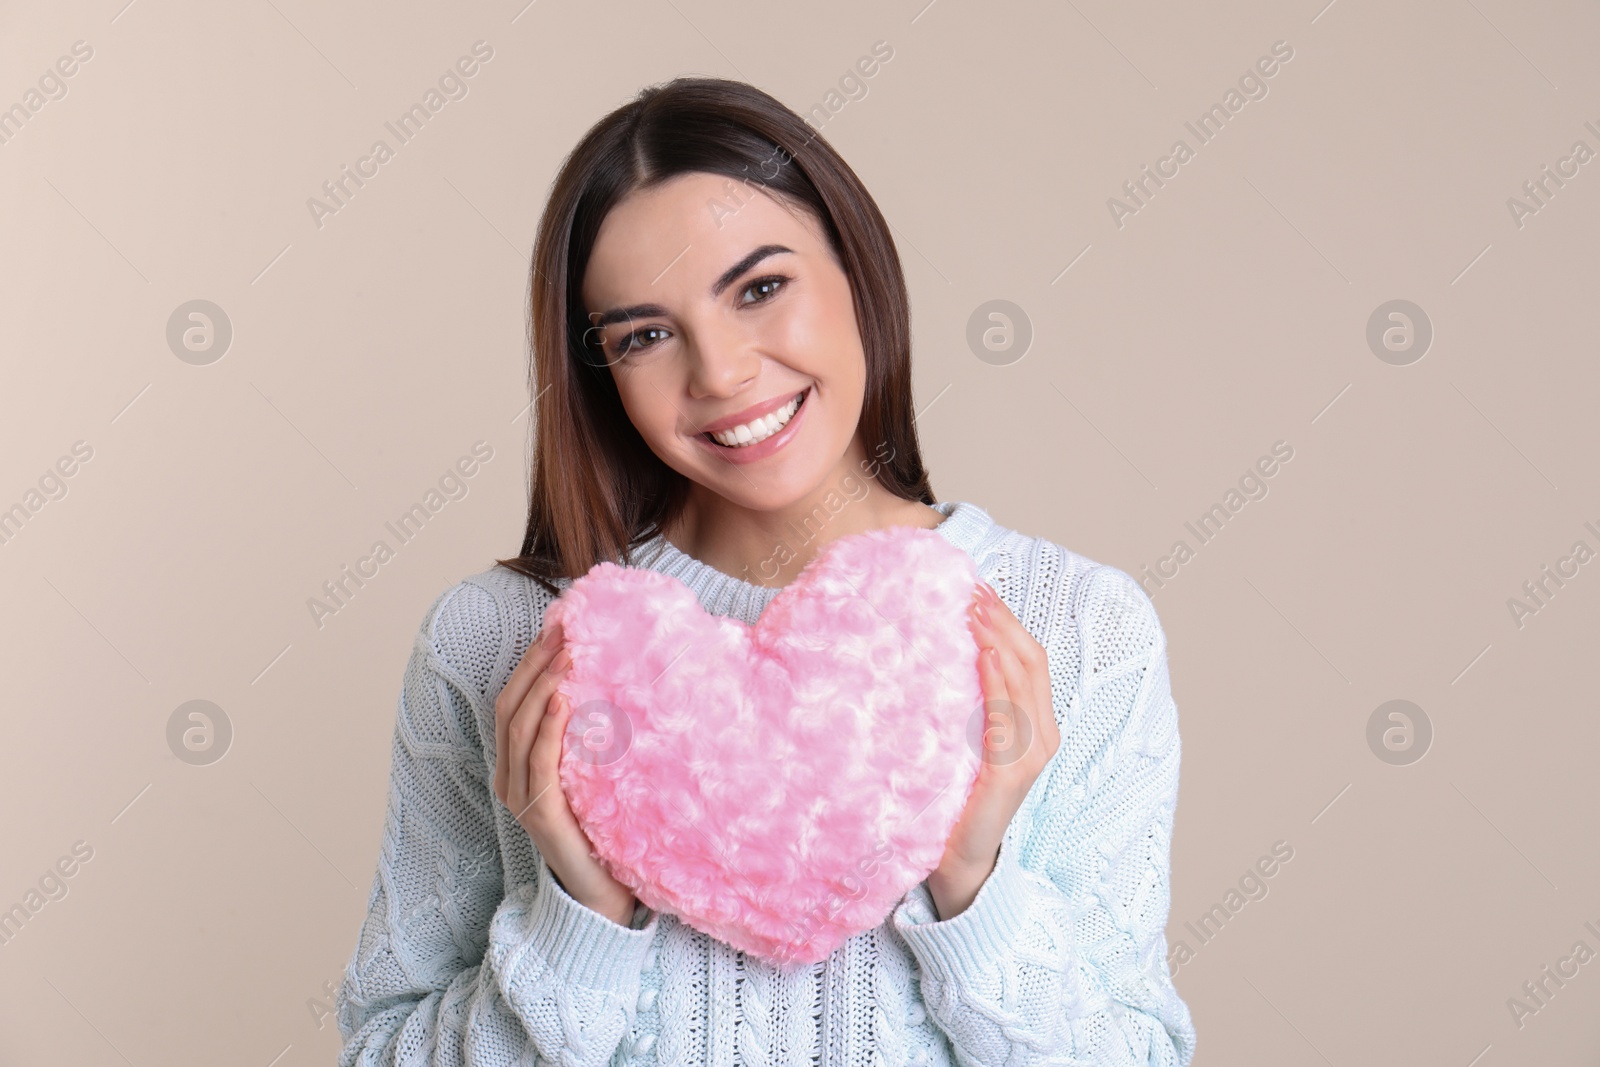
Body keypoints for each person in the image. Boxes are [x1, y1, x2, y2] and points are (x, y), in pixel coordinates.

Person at [334, 75, 1196, 1066]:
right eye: (645, 334)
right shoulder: (494, 640)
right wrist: (578, 918)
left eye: (759, 288)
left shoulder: (1082, 628)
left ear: (856, 271)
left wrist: (974, 883)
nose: (721, 373)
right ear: (600, 372)